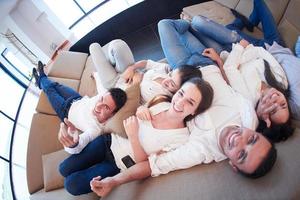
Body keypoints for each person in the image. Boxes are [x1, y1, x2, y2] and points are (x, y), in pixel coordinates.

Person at [90, 65, 277, 197]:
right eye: (252, 139)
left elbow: (152, 166)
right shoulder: (249, 117)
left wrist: (113, 181)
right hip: (198, 70)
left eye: (242, 154)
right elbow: (247, 85)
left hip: (179, 91)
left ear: (234, 165)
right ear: (257, 132)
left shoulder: (198, 150)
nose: (239, 141)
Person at [59, 77, 213, 195]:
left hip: (117, 164)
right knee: (63, 168)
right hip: (107, 141)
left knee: (71, 184)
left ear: (195, 111)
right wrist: (140, 111)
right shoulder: (161, 102)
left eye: (190, 102)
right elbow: (138, 110)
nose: (179, 102)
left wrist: (133, 136)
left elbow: (145, 164)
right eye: (181, 93)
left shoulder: (181, 139)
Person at [157, 1, 292, 133]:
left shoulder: (248, 99)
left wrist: (228, 59)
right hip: (237, 48)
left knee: (181, 29)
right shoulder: (282, 81)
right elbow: (261, 52)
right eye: (283, 104)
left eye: (273, 110)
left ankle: (237, 23)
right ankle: (237, 23)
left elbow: (229, 71)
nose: (276, 100)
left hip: (224, 56)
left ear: (265, 118)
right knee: (197, 22)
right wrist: (238, 54)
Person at [32, 62, 127, 153]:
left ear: (113, 114)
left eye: (105, 107)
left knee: (50, 90)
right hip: (76, 98)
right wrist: (95, 74)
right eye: (101, 99)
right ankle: (40, 80)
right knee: (56, 85)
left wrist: (73, 145)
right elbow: (101, 86)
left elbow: (79, 144)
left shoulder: (95, 129)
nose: (98, 106)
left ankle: (41, 78)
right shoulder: (106, 95)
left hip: (65, 111)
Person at [90, 42, 202, 104]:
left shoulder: (161, 99)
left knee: (94, 46)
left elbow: (132, 104)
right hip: (129, 71)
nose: (167, 80)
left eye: (172, 84)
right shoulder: (168, 72)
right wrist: (132, 68)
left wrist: (136, 84)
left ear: (179, 91)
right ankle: (114, 62)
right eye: (171, 76)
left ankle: (104, 71)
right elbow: (147, 63)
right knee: (118, 45)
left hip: (115, 85)